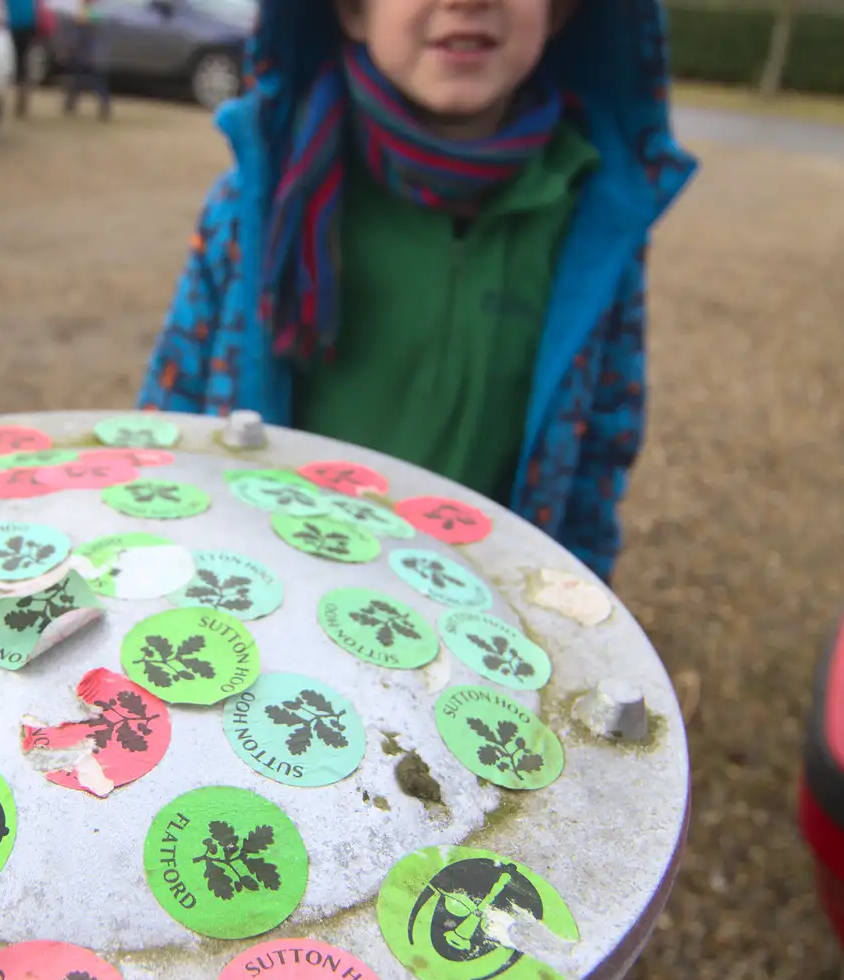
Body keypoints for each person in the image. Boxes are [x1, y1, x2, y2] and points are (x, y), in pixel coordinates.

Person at [135, 0, 697, 582]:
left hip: (475, 620)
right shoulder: (260, 204)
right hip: (273, 596)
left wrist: (574, 603)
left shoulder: (595, 221)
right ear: (352, 12)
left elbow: (600, 447)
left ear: (559, 13)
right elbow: (173, 418)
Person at [63, 0, 111, 121]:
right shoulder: (90, 12)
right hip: (88, 48)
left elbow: (81, 35)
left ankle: (71, 103)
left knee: (86, 76)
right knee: (82, 76)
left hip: (87, 48)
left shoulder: (88, 14)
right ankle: (71, 103)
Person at [7, 0, 40, 117]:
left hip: (13, 25)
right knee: (24, 60)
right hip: (28, 24)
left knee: (17, 60)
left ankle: (20, 86)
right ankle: (23, 90)